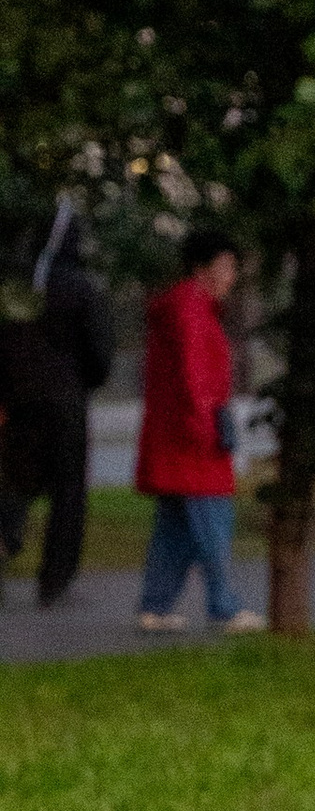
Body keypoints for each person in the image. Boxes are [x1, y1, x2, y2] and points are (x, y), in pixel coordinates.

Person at [135, 224, 259, 632]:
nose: (231, 276)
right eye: (225, 266)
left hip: (178, 436)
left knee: (174, 528)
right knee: (213, 525)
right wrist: (209, 432)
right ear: (200, 268)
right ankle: (224, 607)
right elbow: (196, 378)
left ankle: (154, 607)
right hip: (195, 439)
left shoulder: (185, 307)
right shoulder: (191, 309)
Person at [0, 200, 116, 607]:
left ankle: (4, 539)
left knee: (14, 482)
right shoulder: (80, 287)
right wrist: (84, 378)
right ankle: (55, 578)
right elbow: (99, 352)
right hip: (66, 404)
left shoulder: (19, 287)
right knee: (68, 492)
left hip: (18, 401)